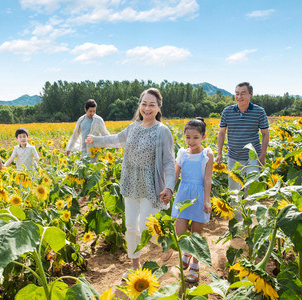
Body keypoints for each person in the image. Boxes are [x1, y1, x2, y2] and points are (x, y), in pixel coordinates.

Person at [85, 88, 175, 280]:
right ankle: (135, 266)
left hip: (151, 186)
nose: (147, 108)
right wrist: (96, 140)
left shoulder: (162, 131)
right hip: (130, 182)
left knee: (145, 227)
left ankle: (166, 242)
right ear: (140, 106)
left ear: (158, 107)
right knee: (131, 227)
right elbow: (117, 139)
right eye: (144, 103)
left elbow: (168, 161)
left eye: (152, 104)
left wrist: (169, 186)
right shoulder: (133, 127)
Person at [216, 82, 269, 218]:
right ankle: (238, 220)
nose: (239, 97)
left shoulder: (259, 111)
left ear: (250, 94)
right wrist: (219, 153)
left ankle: (249, 218)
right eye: (237, 93)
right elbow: (221, 133)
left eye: (243, 93)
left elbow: (265, 134)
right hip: (233, 155)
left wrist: (262, 156)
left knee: (252, 187)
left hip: (252, 157)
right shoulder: (227, 111)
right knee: (234, 190)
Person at [171, 118, 213, 284]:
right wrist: (168, 190)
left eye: (196, 137)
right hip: (183, 195)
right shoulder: (182, 153)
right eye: (188, 137)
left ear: (203, 136)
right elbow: (175, 175)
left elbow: (208, 179)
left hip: (199, 196)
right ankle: (186, 253)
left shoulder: (207, 154)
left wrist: (207, 201)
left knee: (196, 235)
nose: (191, 141)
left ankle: (195, 265)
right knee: (180, 231)